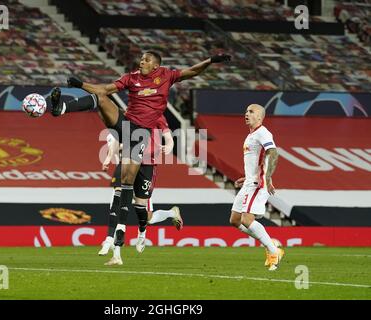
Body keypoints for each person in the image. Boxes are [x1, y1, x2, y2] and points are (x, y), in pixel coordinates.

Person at [50, 51, 231, 265]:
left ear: (155, 65)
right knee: (100, 98)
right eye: (141, 59)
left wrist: (210, 61)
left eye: (146, 59)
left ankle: (121, 243)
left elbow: (191, 71)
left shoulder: (166, 76)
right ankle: (60, 108)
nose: (141, 61)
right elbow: (104, 89)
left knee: (130, 189)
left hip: (140, 135)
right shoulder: (131, 77)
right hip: (126, 125)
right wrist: (80, 84)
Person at [99, 131, 183, 260]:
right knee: (115, 207)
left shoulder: (141, 132)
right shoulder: (113, 134)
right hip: (124, 176)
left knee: (148, 217)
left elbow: (149, 149)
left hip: (140, 176)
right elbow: (114, 147)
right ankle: (109, 241)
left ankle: (172, 213)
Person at [229, 104, 284, 271]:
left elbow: (273, 153)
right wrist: (246, 177)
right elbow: (258, 161)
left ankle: (273, 251)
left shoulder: (263, 133)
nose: (246, 114)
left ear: (260, 117)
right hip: (249, 182)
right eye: (246, 111)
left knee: (246, 219)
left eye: (251, 112)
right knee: (235, 220)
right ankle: (270, 245)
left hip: (258, 184)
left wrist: (267, 177)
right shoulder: (251, 135)